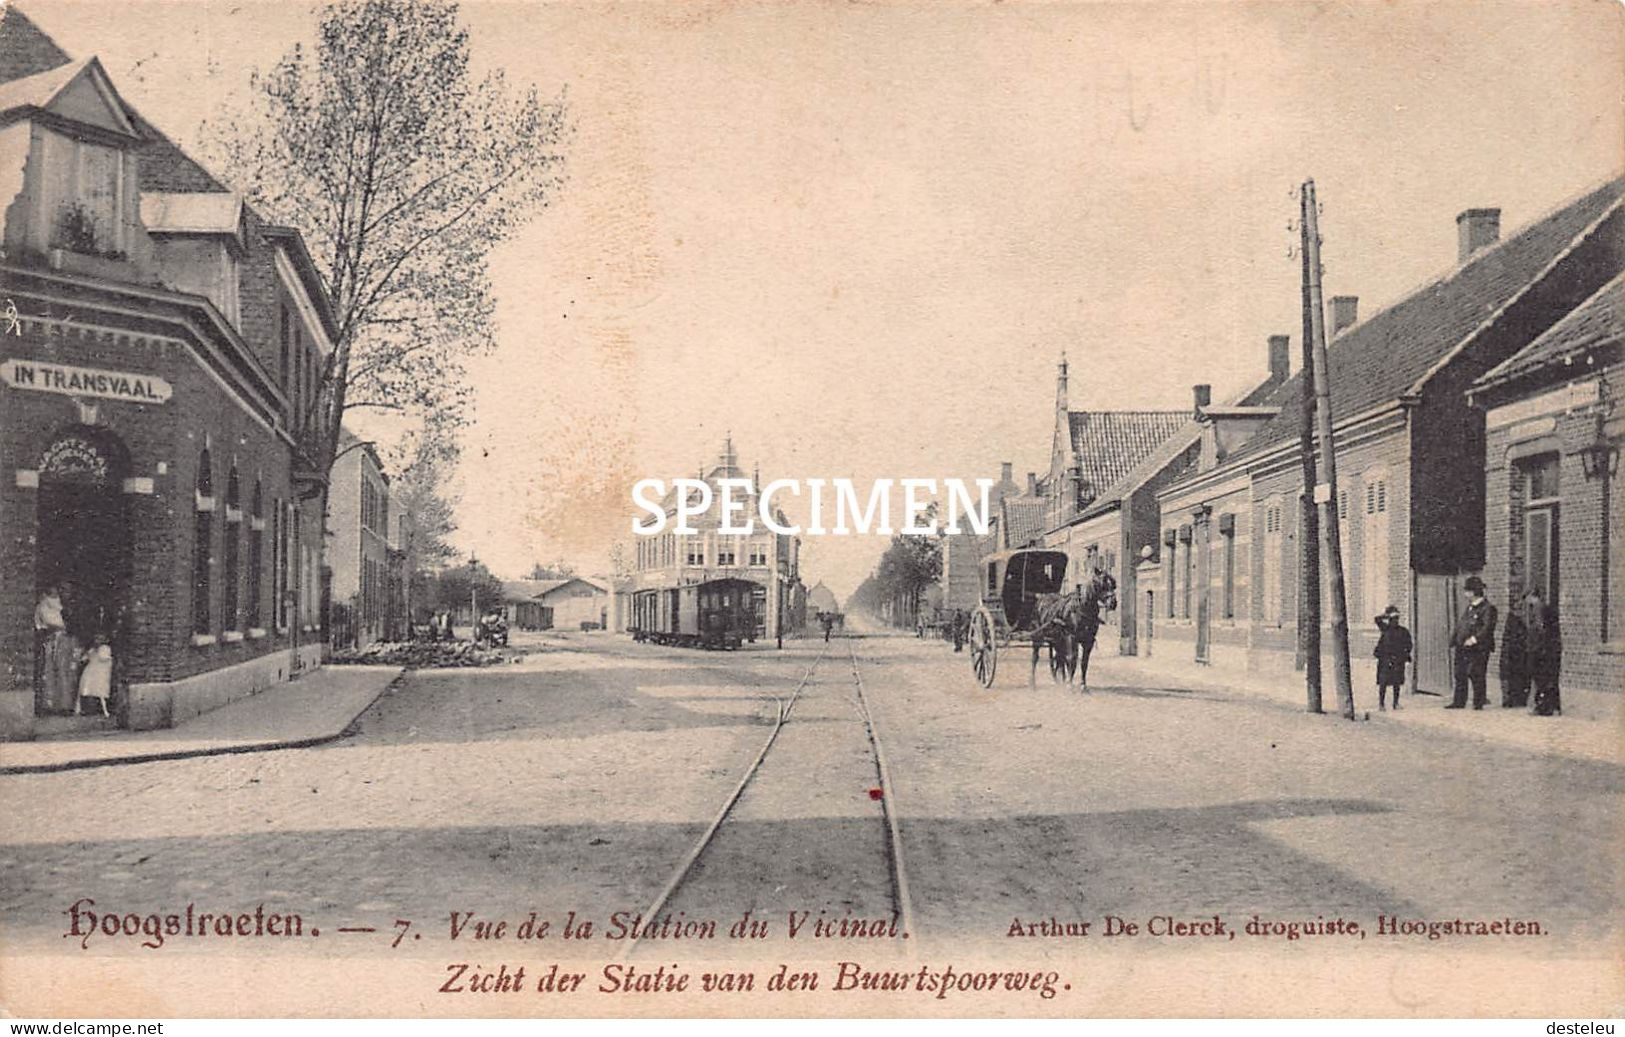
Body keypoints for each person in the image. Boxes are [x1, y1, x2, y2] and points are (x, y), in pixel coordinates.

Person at [1447, 575, 1497, 710]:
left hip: (1478, 648)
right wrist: (1454, 639)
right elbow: (1461, 624)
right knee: (1460, 673)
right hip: (1462, 646)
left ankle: (1478, 702)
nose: (1465, 594)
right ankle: (1459, 701)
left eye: (1467, 591)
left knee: (1476, 673)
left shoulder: (1487, 608)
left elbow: (1486, 628)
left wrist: (1474, 639)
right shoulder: (1470, 607)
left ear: (1474, 592)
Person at [33, 586, 78, 714]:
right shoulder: (43, 606)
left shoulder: (66, 606)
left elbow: (69, 624)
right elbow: (42, 623)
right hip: (52, 640)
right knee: (49, 670)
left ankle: (65, 704)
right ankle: (50, 704)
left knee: (65, 670)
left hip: (65, 640)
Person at [1499, 590, 1536, 709]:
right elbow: (1509, 636)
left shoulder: (1528, 615)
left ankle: (1519, 699)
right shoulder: (1513, 618)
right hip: (1515, 651)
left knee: (1523, 675)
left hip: (1523, 650)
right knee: (1514, 674)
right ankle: (1512, 699)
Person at [1527, 595, 1562, 717]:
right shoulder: (1545, 608)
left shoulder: (1538, 608)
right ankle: (1553, 707)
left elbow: (1540, 629)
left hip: (1542, 650)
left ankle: (1544, 707)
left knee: (1542, 680)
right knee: (1550, 680)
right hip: (1549, 649)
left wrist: (1536, 648)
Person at [1373, 605, 1412, 711]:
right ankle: (1381, 704)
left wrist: (1405, 655)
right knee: (1383, 683)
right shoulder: (1385, 628)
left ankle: (1396, 703)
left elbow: (1409, 644)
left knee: (1397, 682)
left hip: (1398, 660)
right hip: (1385, 659)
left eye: (1396, 619)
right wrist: (1386, 615)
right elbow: (1376, 619)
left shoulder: (1403, 631)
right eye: (1392, 619)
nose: (1395, 621)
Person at [76, 635, 113, 717]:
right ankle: (84, 709)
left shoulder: (105, 648)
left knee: (101, 690)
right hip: (91, 671)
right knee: (86, 688)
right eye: (96, 640)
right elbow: (84, 659)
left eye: (99, 640)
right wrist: (85, 655)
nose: (97, 642)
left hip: (101, 672)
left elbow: (104, 658)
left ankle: (104, 710)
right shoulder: (92, 650)